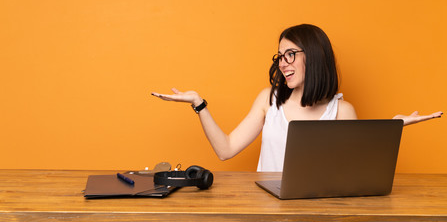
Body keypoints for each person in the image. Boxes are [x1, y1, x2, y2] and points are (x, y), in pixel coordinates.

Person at [151, 24, 443, 172]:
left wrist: (388, 130)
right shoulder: (269, 100)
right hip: (266, 212)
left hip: (317, 211)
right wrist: (199, 104)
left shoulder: (342, 110)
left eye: (291, 54)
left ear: (313, 57)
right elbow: (226, 149)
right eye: (280, 56)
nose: (283, 63)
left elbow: (353, 171)